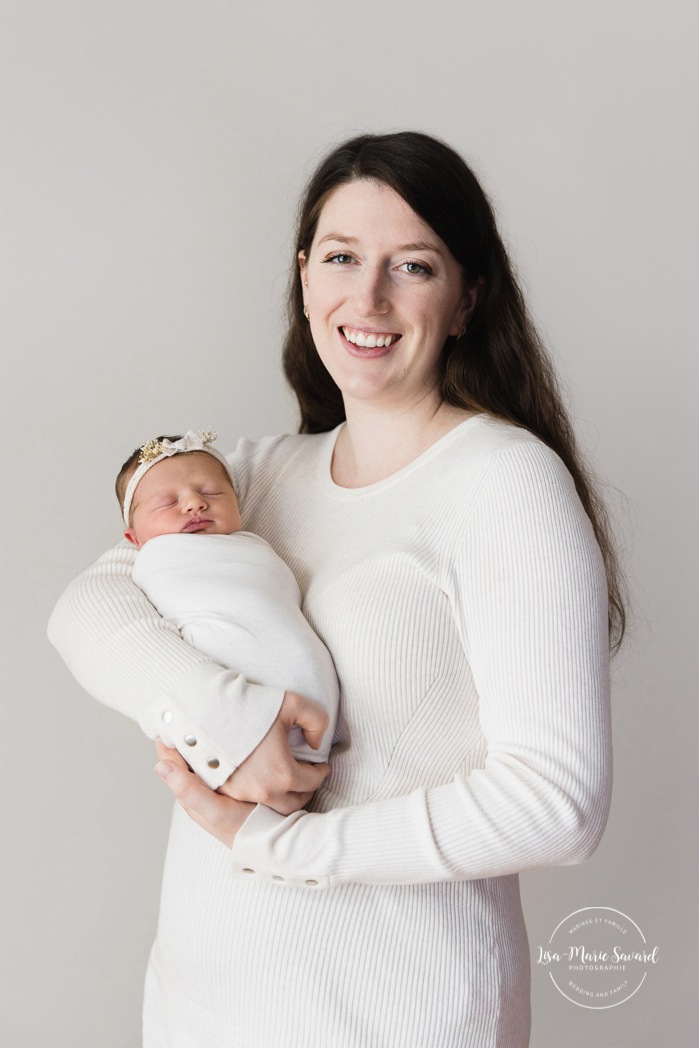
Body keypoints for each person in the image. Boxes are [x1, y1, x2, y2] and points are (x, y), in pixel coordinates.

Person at [48, 130, 622, 1048]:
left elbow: (557, 804)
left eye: (415, 267)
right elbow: (86, 610)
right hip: (197, 1002)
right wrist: (229, 723)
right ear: (304, 276)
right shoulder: (248, 477)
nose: (369, 297)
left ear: (469, 298)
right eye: (343, 258)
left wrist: (281, 846)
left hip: (396, 1014)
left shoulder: (504, 484)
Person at [116, 428, 338, 763]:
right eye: (169, 502)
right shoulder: (154, 559)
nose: (194, 503)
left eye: (212, 492)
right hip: (234, 715)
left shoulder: (253, 545)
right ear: (134, 539)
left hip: (312, 718)